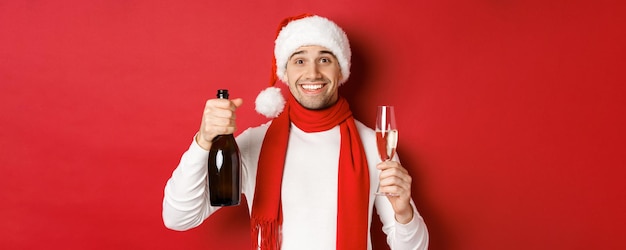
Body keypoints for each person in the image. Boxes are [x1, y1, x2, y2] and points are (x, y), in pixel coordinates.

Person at [162, 14, 429, 250]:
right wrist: (203, 140)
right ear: (285, 74)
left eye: (324, 59)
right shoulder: (255, 143)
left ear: (341, 71)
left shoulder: (375, 145)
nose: (312, 73)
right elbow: (178, 218)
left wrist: (404, 212)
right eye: (299, 61)